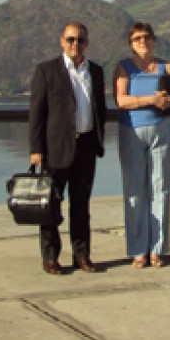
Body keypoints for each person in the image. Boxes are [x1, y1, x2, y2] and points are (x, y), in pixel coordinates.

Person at [28, 21, 108, 275]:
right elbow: (36, 114)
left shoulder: (95, 71)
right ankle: (50, 257)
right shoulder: (46, 71)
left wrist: (98, 138)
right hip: (56, 149)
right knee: (50, 205)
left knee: (81, 206)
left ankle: (81, 255)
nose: (76, 44)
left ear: (87, 43)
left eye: (80, 40)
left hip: (85, 146)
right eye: (71, 39)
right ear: (62, 41)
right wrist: (36, 150)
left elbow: (100, 109)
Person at [113, 22, 170, 268]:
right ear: (130, 43)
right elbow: (121, 100)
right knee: (135, 191)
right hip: (132, 132)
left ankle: (157, 248)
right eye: (137, 38)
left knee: (161, 189)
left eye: (146, 37)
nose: (142, 42)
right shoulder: (123, 68)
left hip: (162, 131)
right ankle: (138, 249)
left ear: (154, 40)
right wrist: (150, 99)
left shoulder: (166, 67)